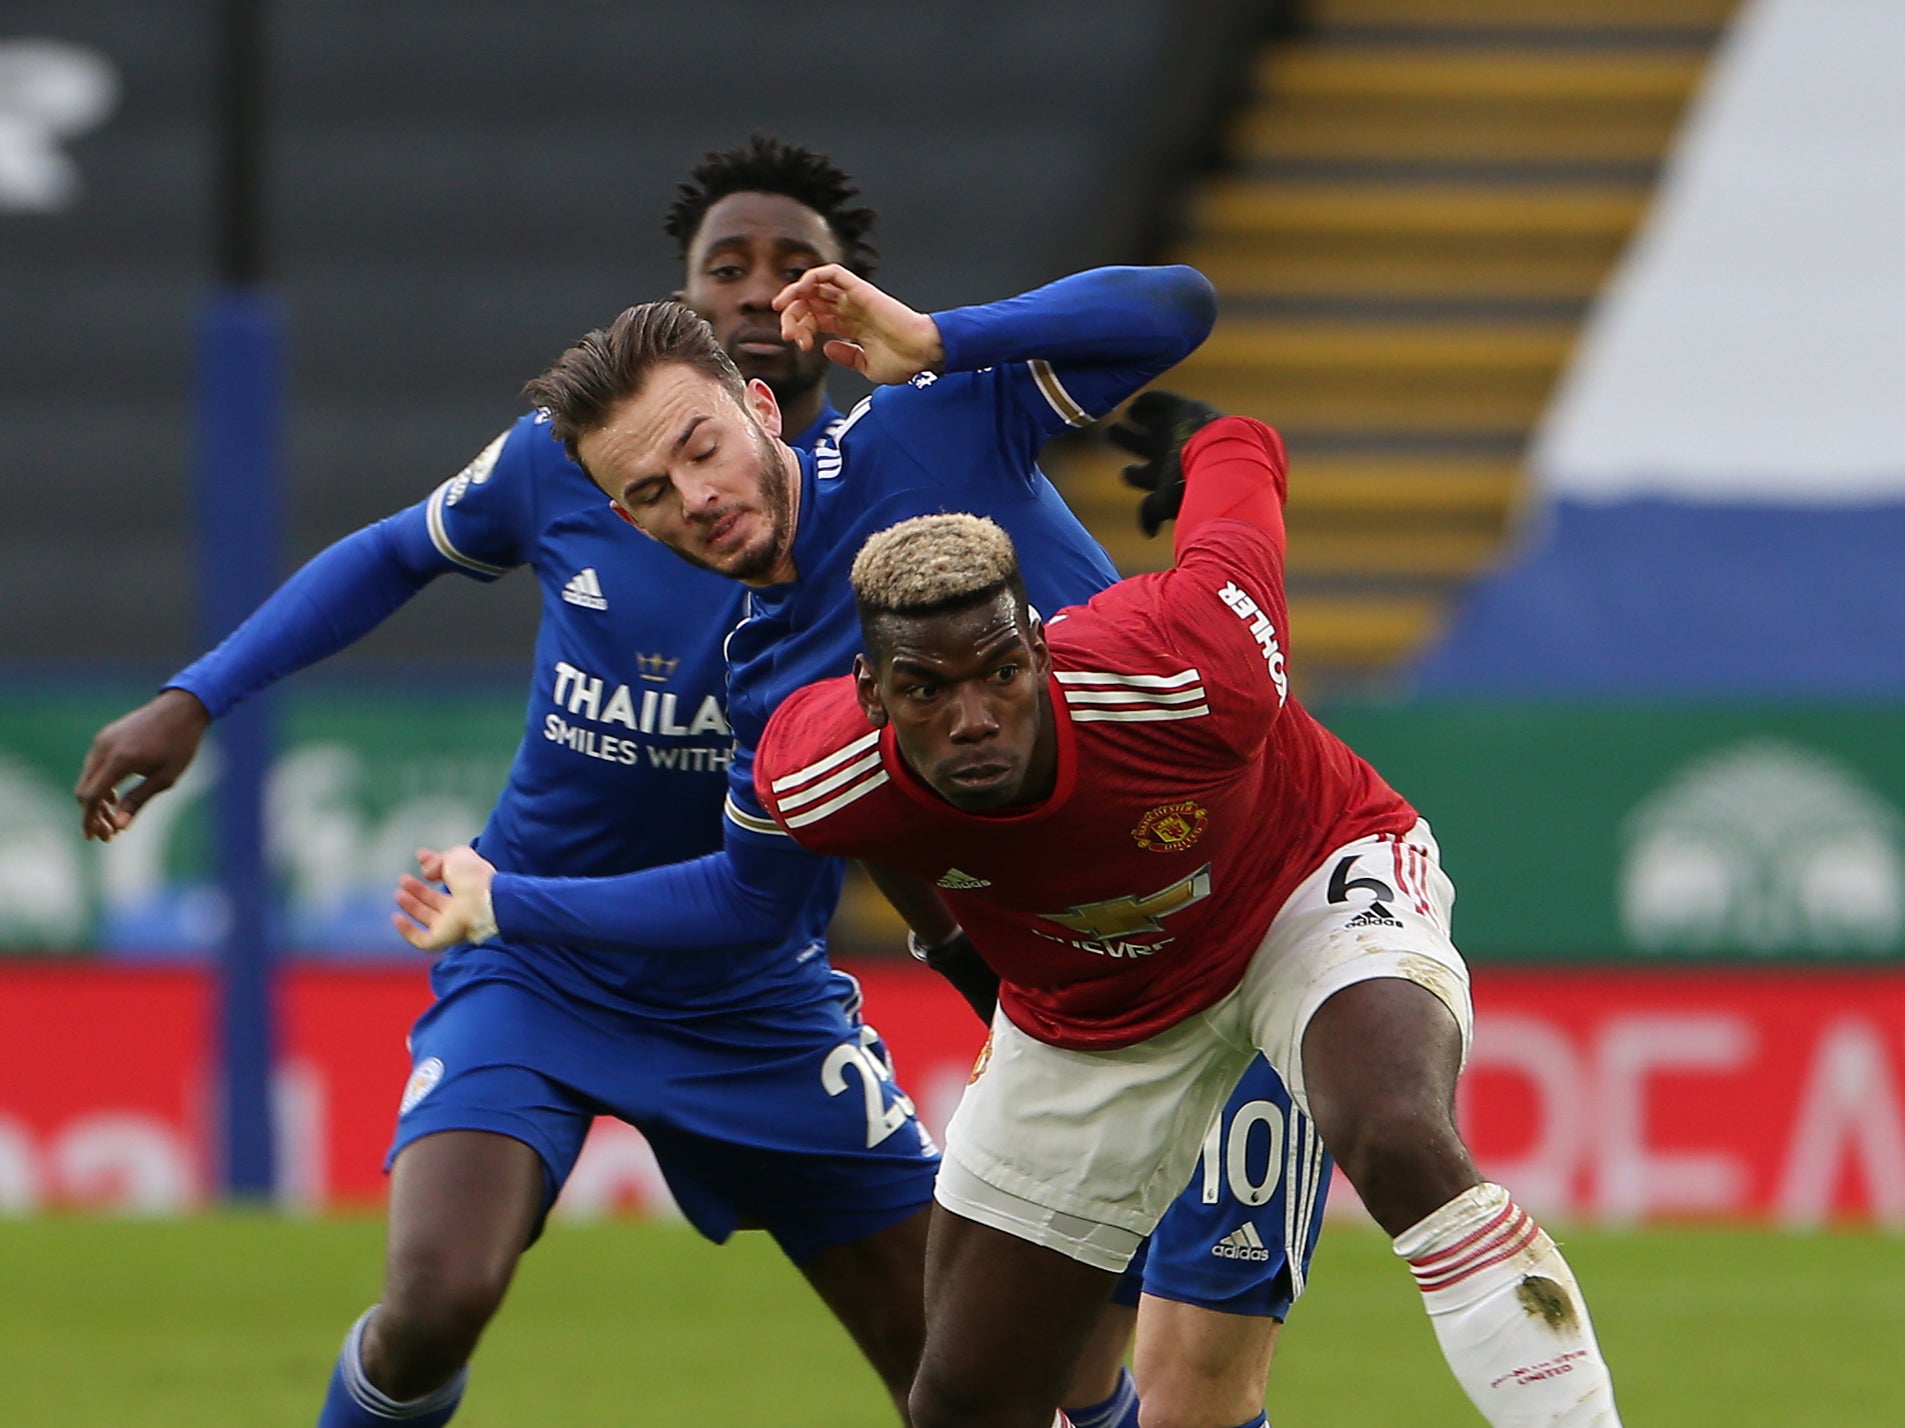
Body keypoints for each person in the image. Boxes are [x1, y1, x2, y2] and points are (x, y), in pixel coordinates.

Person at [75, 138, 939, 1428]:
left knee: (957, 1374)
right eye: (727, 267)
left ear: (842, 300)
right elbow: (383, 557)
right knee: (433, 1301)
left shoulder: (890, 500)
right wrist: (194, 693)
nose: (760, 292)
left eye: (793, 267)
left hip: (754, 992)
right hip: (532, 964)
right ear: (684, 301)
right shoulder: (563, 460)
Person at [392, 259, 1336, 1428]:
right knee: (1052, 1375)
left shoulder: (921, 432)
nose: (690, 496)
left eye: (697, 447)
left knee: (1192, 1379)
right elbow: (747, 900)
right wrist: (509, 904)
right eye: (643, 493)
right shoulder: (767, 678)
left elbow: (1176, 309)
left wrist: (940, 335)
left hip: (1234, 920)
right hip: (1074, 1010)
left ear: (761, 405)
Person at [750, 417, 1626, 1428]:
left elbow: (1242, 497)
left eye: (999, 671)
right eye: (926, 690)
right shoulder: (814, 776)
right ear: (870, 696)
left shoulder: (1187, 667)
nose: (975, 716)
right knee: (961, 1401)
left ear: (1040, 650)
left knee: (1393, 1133)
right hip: (1091, 1003)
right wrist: (948, 944)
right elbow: (818, 864)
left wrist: (1213, 443)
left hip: (1299, 893)